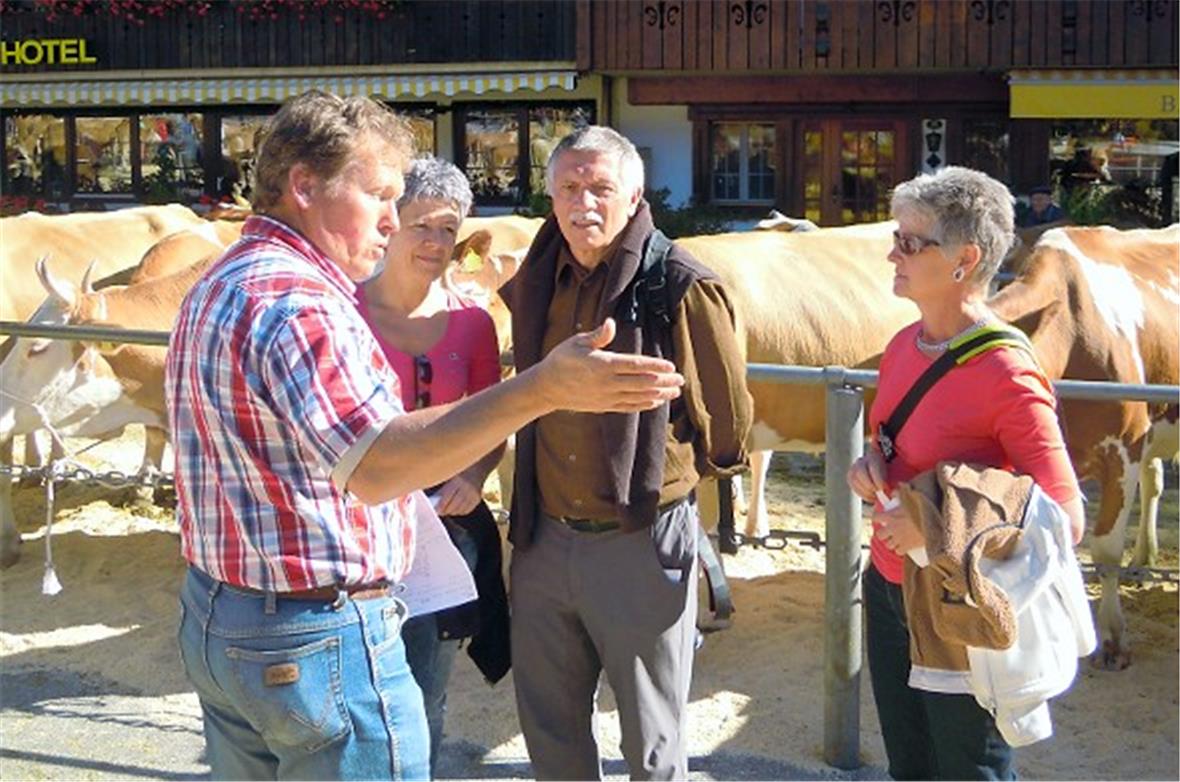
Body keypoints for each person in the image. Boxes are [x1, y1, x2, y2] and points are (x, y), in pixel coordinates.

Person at [166, 91, 685, 782]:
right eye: (378, 194)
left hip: (222, 616)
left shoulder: (222, 281)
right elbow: (377, 466)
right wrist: (542, 389)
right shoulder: (302, 304)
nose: (392, 219)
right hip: (316, 634)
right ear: (304, 186)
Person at [502, 125, 754, 780]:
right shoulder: (535, 279)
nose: (584, 202)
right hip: (542, 537)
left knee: (650, 741)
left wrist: (678, 499)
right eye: (569, 187)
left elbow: (726, 423)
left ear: (635, 192)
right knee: (550, 732)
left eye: (601, 187)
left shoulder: (681, 282)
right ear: (551, 196)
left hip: (640, 537)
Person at [845, 166, 1085, 780]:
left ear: (965, 259)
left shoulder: (1007, 370)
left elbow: (1063, 515)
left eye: (909, 242)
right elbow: (895, 443)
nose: (891, 253)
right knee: (911, 769)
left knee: (969, 771)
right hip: (887, 584)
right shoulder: (904, 345)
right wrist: (873, 464)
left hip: (956, 602)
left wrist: (934, 535)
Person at [355, 156, 509, 778]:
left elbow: (491, 422)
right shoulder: (343, 310)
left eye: (449, 230)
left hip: (444, 533)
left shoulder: (473, 326)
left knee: (426, 686)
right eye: (422, 225)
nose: (436, 243)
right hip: (358, 530)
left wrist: (475, 477)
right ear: (389, 224)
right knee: (357, 686)